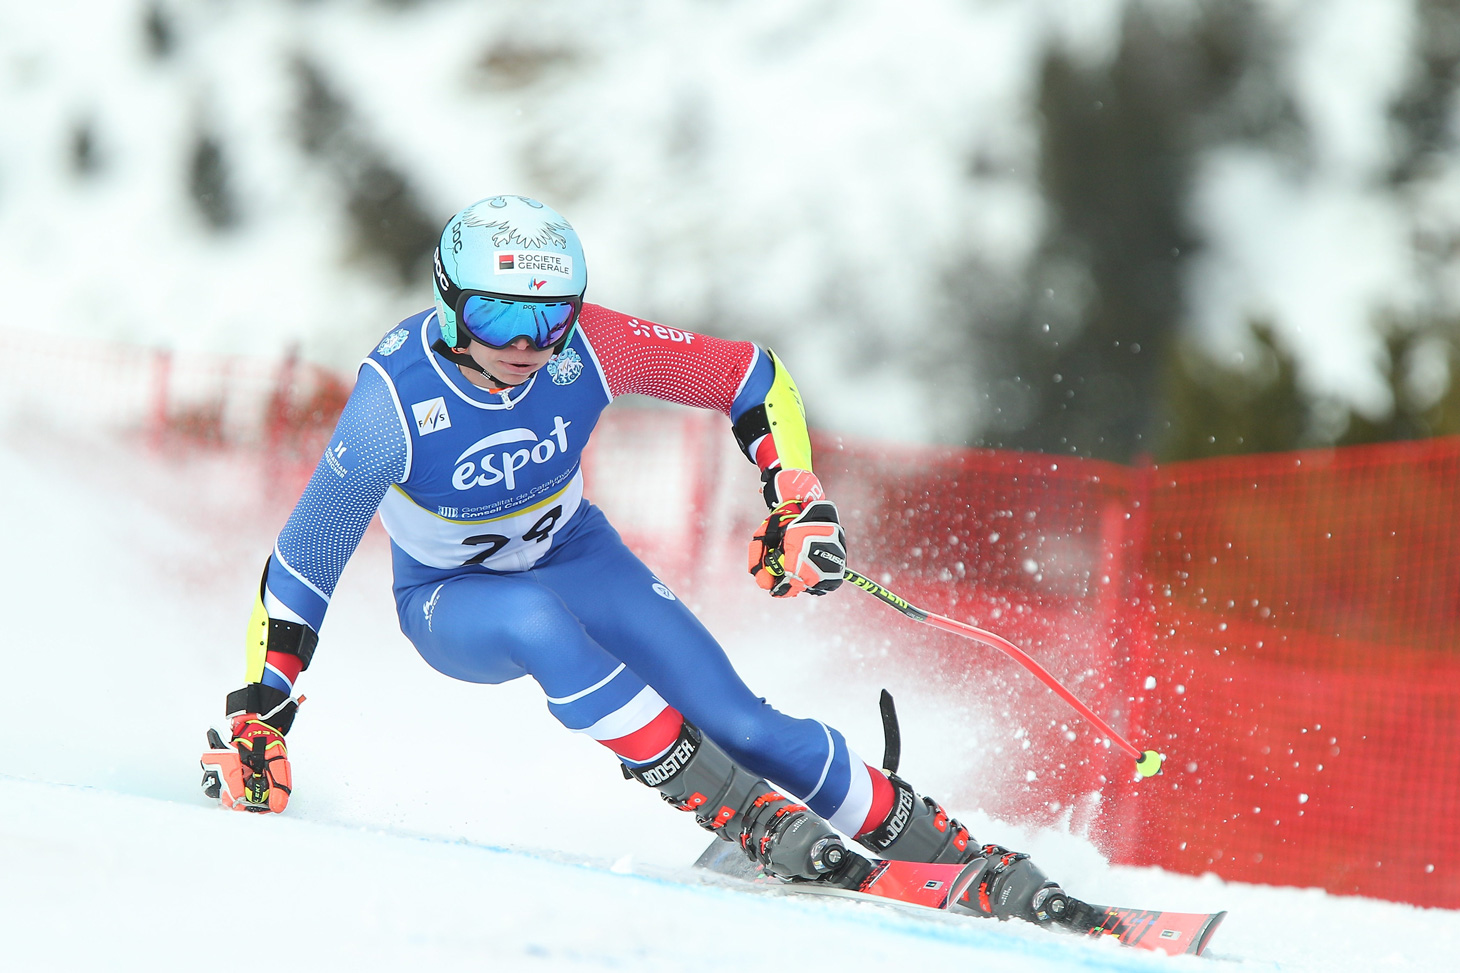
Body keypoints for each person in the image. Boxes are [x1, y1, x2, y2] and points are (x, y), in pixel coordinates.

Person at [199, 194, 1066, 922]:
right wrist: (259, 719)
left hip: (577, 552)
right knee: (538, 622)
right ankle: (746, 816)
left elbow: (752, 375)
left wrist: (793, 495)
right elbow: (304, 563)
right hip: (453, 599)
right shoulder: (394, 404)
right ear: (449, 303)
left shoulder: (590, 348)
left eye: (551, 318)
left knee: (746, 724)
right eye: (501, 315)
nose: (529, 344)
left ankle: (946, 849)